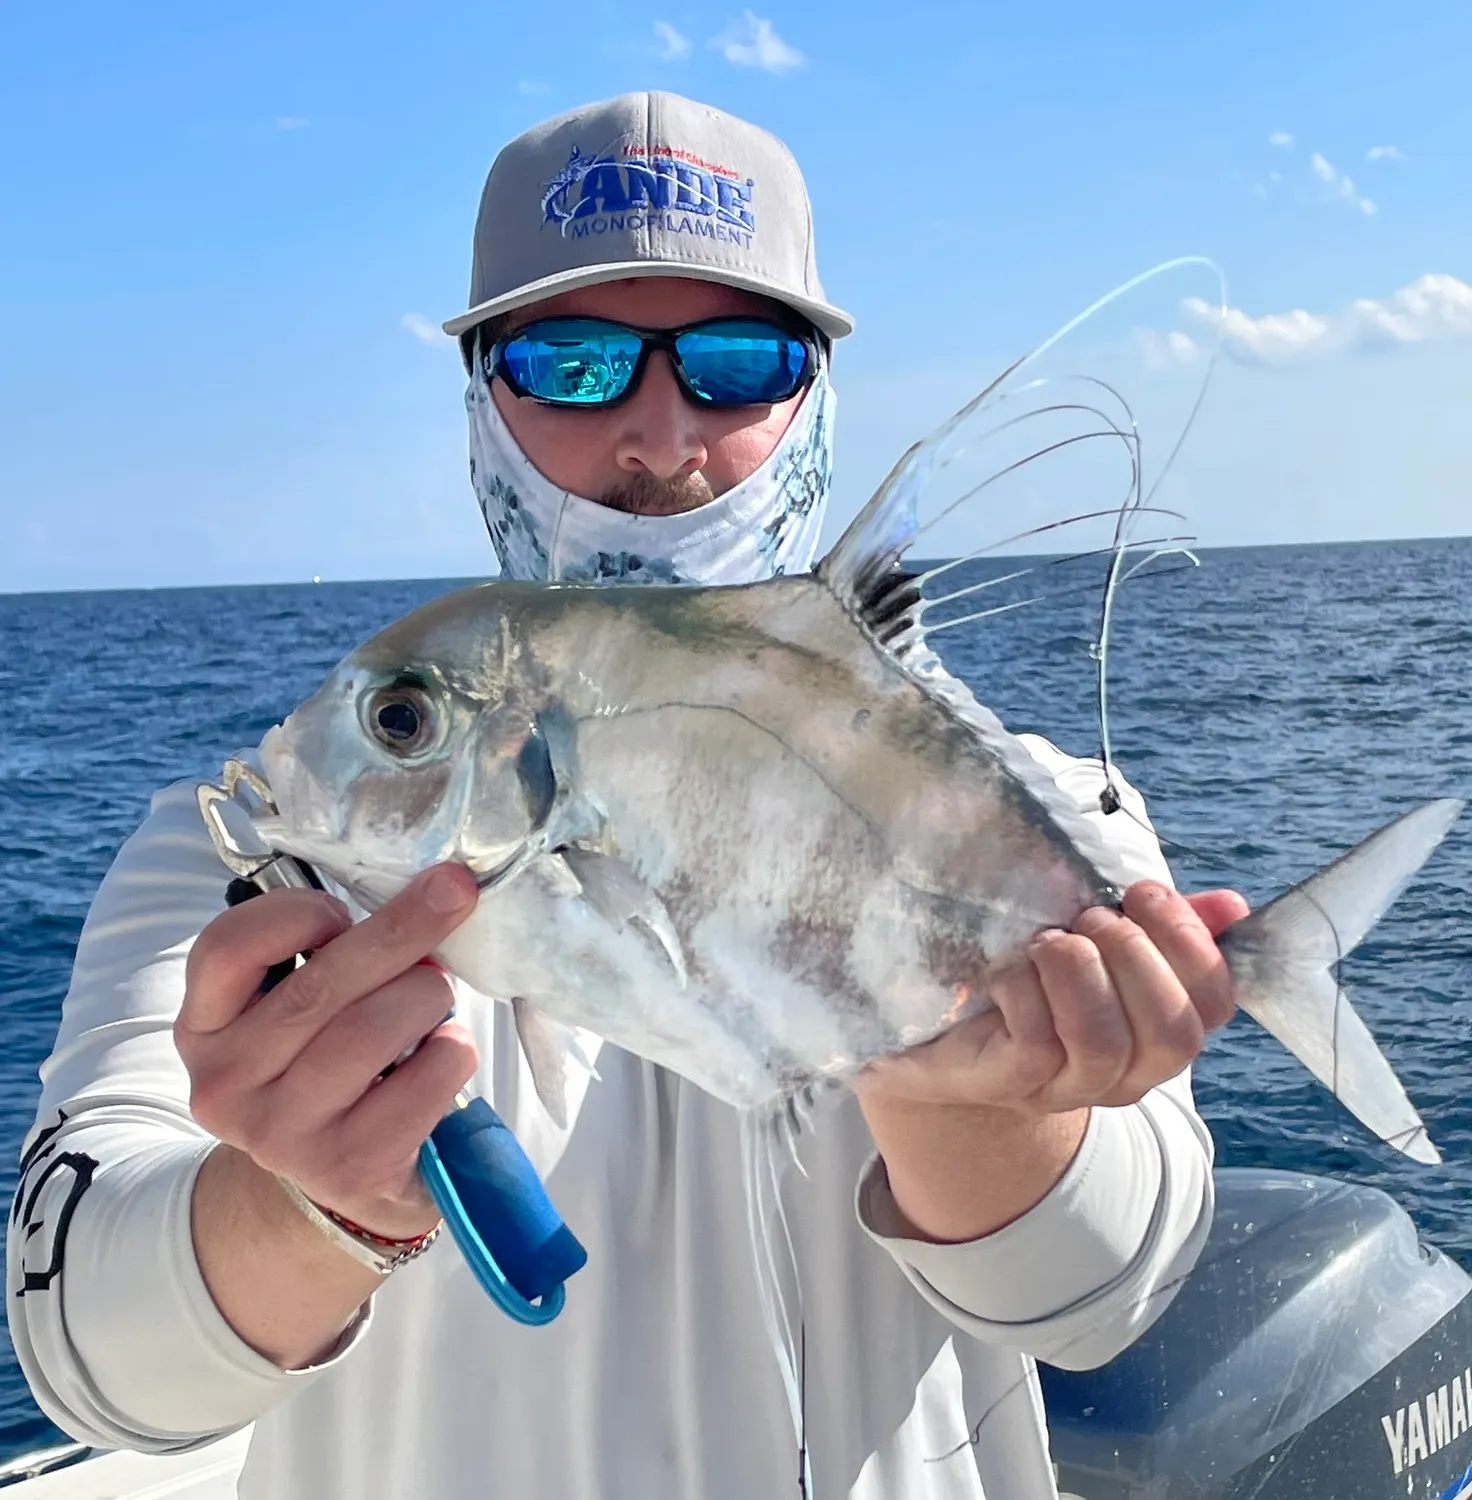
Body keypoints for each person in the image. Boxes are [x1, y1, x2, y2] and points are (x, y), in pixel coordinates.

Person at [7, 92, 1246, 1499]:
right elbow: (82, 1352)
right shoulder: (256, 860)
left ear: (816, 401)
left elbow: (1103, 1302)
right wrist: (304, 1204)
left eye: (737, 360)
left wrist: (968, 1103)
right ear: (482, 395)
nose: (662, 441)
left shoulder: (1029, 812)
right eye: (575, 362)